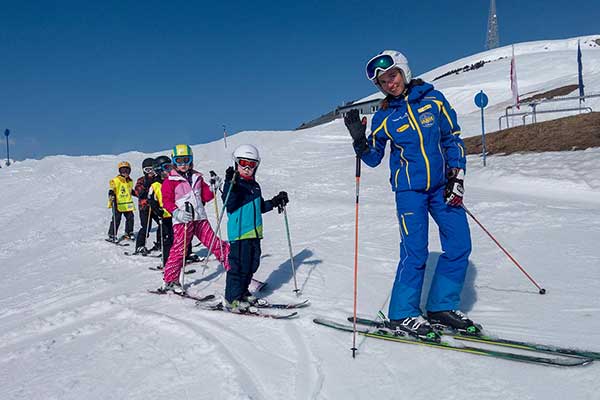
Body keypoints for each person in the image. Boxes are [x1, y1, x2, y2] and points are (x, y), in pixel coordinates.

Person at [345, 50, 476, 340]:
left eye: (392, 76)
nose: (389, 84)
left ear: (404, 71)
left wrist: (457, 176)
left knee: (459, 244)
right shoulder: (383, 116)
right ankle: (402, 313)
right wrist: (359, 141)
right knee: (415, 251)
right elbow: (373, 158)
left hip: (443, 186)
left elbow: (451, 138)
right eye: (382, 82)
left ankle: (441, 306)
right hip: (409, 193)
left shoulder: (434, 100)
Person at [221, 144, 289, 313]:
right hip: (239, 234)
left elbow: (258, 207)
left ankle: (242, 293)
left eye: (251, 164)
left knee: (252, 265)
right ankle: (232, 299)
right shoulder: (234, 185)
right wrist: (231, 183)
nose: (247, 167)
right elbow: (229, 203)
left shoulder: (255, 186)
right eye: (243, 162)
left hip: (255, 233)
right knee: (239, 266)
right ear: (236, 163)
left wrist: (274, 202)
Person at [157, 144, 230, 293]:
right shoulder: (170, 181)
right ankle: (170, 280)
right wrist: (177, 213)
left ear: (191, 160)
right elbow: (167, 201)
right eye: (179, 161)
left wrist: (212, 188)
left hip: (200, 218)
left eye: (186, 160)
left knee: (215, 244)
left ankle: (234, 270)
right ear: (174, 162)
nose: (183, 164)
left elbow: (205, 196)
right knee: (180, 249)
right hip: (183, 220)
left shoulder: (197, 177)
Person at [147, 155, 174, 269]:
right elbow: (151, 200)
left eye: (170, 167)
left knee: (178, 239)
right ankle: (166, 262)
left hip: (176, 215)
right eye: (166, 168)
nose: (169, 170)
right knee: (167, 240)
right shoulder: (155, 185)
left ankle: (179, 260)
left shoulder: (173, 181)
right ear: (158, 169)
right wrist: (158, 211)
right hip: (165, 217)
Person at [133, 158, 161, 254]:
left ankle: (160, 243)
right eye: (147, 170)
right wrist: (145, 186)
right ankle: (140, 246)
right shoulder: (141, 180)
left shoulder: (158, 178)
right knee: (146, 227)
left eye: (152, 169)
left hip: (156, 206)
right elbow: (137, 192)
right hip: (145, 207)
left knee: (162, 224)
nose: (151, 172)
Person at [107, 161, 136, 241]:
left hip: (127, 204)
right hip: (118, 203)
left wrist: (137, 194)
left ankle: (129, 232)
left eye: (127, 170)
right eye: (123, 170)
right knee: (116, 219)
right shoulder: (115, 180)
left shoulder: (130, 181)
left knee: (130, 218)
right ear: (120, 171)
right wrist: (111, 193)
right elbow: (112, 188)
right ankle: (112, 234)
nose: (125, 172)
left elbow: (130, 190)